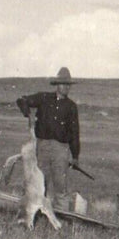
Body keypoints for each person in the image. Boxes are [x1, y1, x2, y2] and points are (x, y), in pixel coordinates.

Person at [15, 67, 81, 212]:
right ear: (57, 84)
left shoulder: (71, 107)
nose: (66, 87)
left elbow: (75, 133)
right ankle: (37, 217)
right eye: (63, 84)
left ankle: (60, 219)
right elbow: (21, 100)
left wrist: (75, 156)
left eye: (68, 84)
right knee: (39, 184)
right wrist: (27, 113)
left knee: (60, 188)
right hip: (42, 147)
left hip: (61, 151)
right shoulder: (44, 98)